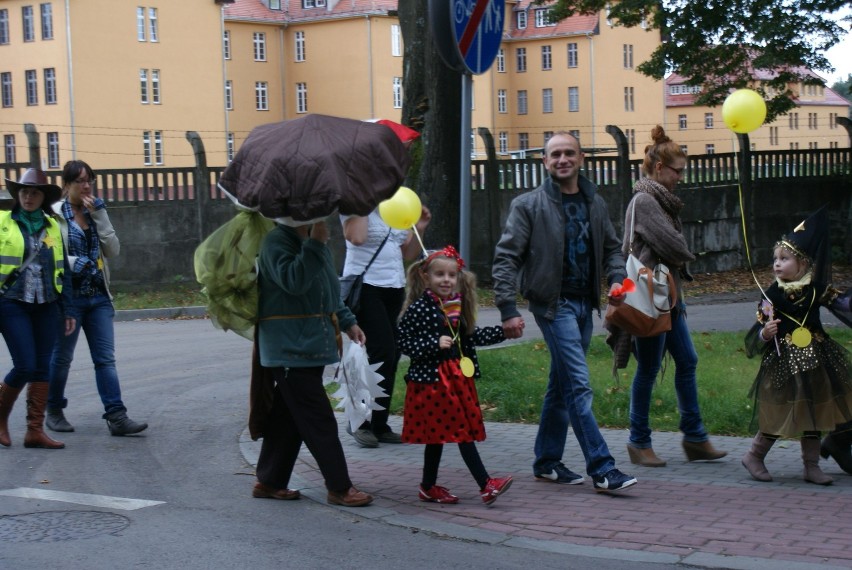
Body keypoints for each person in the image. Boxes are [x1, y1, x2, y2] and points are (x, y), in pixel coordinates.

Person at [492, 131, 637, 493]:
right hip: (552, 306)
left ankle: (546, 460)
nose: (562, 160)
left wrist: (617, 279)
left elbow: (612, 249)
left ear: (581, 158)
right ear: (544, 161)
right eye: (555, 154)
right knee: (578, 385)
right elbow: (506, 257)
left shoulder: (595, 202)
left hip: (584, 305)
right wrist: (507, 308)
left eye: (568, 153)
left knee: (561, 386)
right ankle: (602, 469)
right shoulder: (528, 205)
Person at [621, 126, 727, 467]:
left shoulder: (663, 203)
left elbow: (672, 248)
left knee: (688, 361)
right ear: (658, 168)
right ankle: (638, 442)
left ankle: (695, 438)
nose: (681, 177)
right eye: (677, 170)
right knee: (649, 369)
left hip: (669, 300)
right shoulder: (645, 201)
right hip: (652, 301)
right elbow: (676, 248)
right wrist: (681, 251)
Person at [249, 219, 372, 507]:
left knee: (288, 416)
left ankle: (269, 481)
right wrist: (315, 243)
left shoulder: (313, 243)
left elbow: (326, 291)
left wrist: (348, 322)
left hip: (309, 347)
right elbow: (294, 282)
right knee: (319, 419)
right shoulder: (276, 242)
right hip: (289, 349)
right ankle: (339, 487)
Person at [742, 206, 852, 485]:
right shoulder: (772, 295)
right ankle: (754, 455)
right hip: (784, 361)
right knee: (782, 409)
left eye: (785, 258)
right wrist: (766, 333)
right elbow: (757, 333)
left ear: (802, 264)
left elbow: (842, 305)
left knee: (814, 410)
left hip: (816, 358)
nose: (777, 264)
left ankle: (811, 466)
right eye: (775, 259)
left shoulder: (817, 290)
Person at [397, 246, 512, 505]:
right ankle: (486, 484)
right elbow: (403, 342)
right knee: (461, 431)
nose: (446, 280)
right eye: (439, 275)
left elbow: (471, 337)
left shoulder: (454, 307)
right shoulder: (419, 308)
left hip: (456, 378)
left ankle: (428, 487)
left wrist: (504, 332)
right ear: (426, 277)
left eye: (451, 275)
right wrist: (432, 343)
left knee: (438, 437)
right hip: (434, 383)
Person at [46, 160, 148, 436]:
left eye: (89, 179)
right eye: (79, 180)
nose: (87, 185)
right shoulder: (54, 215)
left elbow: (112, 250)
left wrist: (100, 216)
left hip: (99, 297)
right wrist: (73, 262)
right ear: (66, 185)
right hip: (69, 299)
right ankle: (53, 409)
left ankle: (116, 416)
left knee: (105, 359)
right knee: (62, 358)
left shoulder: (96, 211)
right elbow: (48, 255)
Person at [340, 205, 431, 447]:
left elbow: (407, 252)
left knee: (392, 355)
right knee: (381, 352)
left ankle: (380, 424)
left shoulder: (395, 203)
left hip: (394, 286)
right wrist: (364, 201)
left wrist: (419, 225)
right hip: (366, 287)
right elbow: (357, 237)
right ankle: (359, 421)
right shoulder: (355, 203)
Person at [0, 168, 77, 449]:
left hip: (47, 304)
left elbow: (63, 270)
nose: (28, 196)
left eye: (34, 192)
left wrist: (68, 309)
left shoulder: (52, 225)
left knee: (42, 367)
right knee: (25, 365)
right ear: (17, 195)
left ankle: (34, 430)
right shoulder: (3, 222)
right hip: (11, 303)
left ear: (43, 197)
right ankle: (1, 419)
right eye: (24, 192)